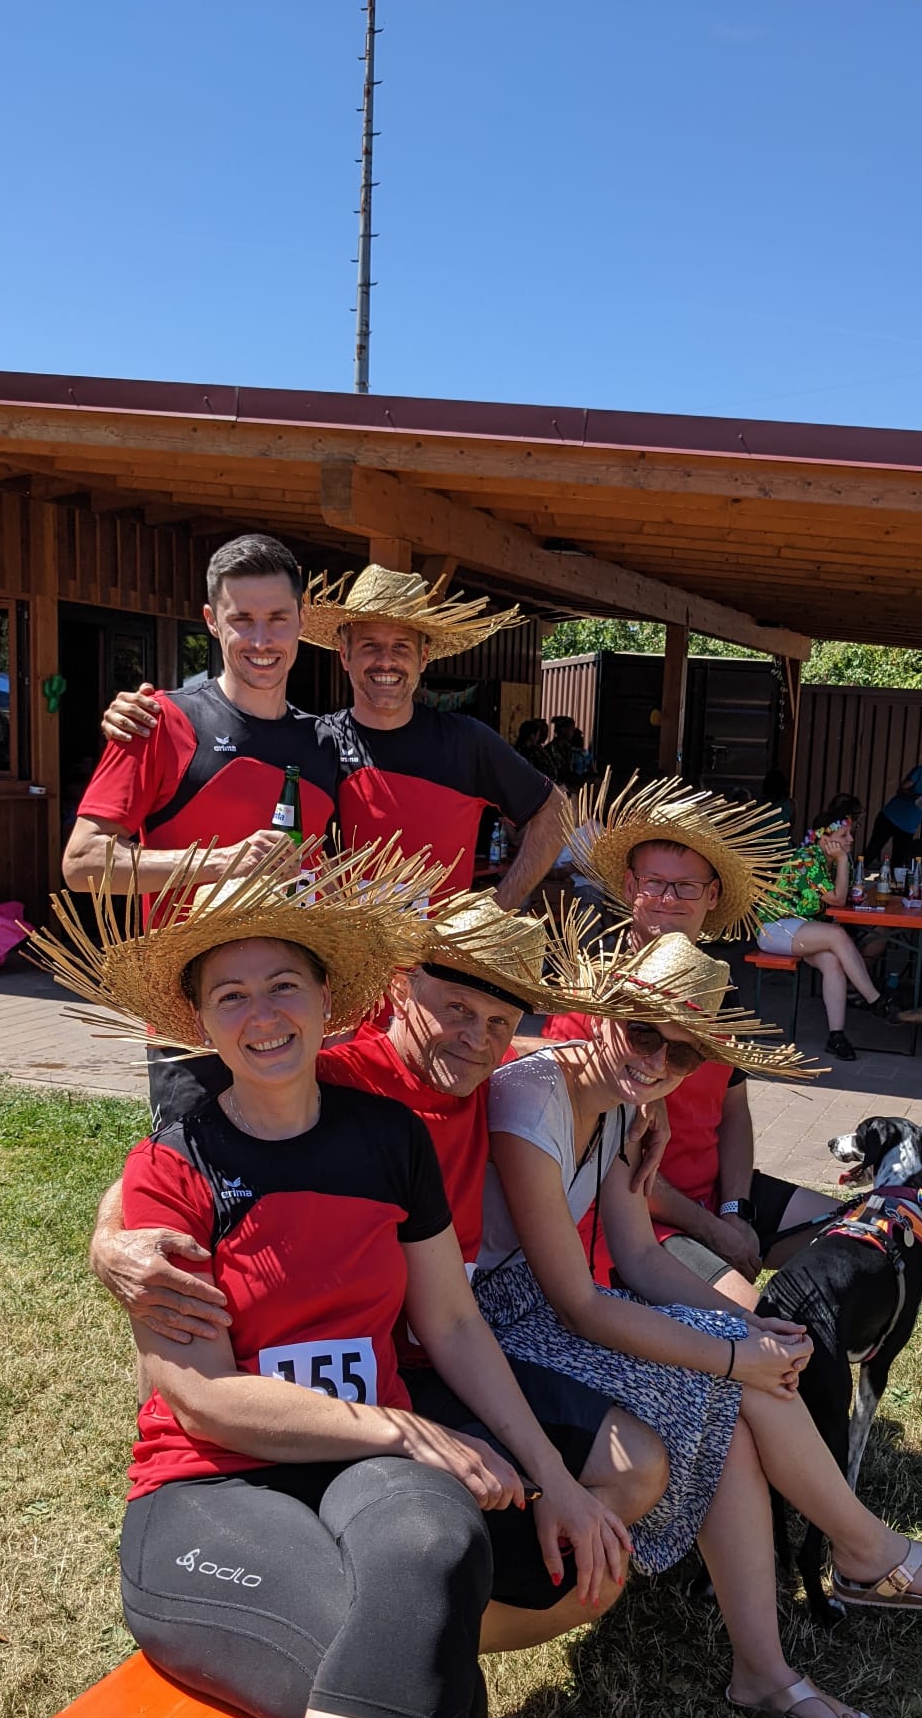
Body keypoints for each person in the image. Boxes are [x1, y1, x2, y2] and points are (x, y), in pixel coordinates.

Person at [30, 850, 628, 1718]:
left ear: (325, 999)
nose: (262, 1014)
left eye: (283, 986)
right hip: (207, 1494)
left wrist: (553, 1476)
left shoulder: (387, 1139)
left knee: (440, 1548)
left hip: (354, 1465)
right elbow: (203, 1399)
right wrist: (392, 1428)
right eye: (231, 994)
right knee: (437, 1689)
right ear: (201, 1020)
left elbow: (451, 1324)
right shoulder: (172, 1164)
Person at [89, 893, 669, 1658]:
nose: (476, 1037)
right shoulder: (323, 1074)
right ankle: (399, 1630)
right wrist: (108, 1238)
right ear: (400, 988)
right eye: (455, 1009)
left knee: (632, 1474)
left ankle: (425, 1624)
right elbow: (183, 1158)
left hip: (420, 1361)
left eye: (499, 1022)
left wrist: (646, 1104)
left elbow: (455, 1319)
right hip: (317, 1395)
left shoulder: (489, 1080)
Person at [478, 929, 922, 1718]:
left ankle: (769, 1665)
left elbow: (640, 1258)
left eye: (682, 1053)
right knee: (738, 1384)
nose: (656, 1060)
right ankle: (863, 1555)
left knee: (745, 1393)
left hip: (547, 1308)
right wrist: (732, 1353)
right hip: (495, 1325)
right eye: (641, 1031)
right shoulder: (533, 1098)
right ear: (604, 1012)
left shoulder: (621, 1103)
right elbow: (577, 1303)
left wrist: (747, 1329)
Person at [65, 534, 345, 1124]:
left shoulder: (324, 743)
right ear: (212, 622)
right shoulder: (159, 722)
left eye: (278, 618)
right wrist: (221, 862)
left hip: (292, 1024)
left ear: (302, 621)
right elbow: (84, 862)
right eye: (242, 620)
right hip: (188, 1024)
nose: (262, 640)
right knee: (194, 1178)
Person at [98, 558, 568, 909]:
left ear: (424, 658)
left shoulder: (468, 742)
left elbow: (553, 810)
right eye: (370, 646)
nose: (385, 661)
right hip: (337, 988)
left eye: (401, 647)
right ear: (344, 655)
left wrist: (497, 909)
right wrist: (139, 713)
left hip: (434, 987)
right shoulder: (316, 742)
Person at [543, 775, 842, 1297]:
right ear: (630, 888)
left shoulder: (718, 989)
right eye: (654, 883)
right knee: (756, 1322)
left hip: (715, 1201)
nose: (668, 899)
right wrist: (715, 1231)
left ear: (712, 895)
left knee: (866, 1239)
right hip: (635, 1220)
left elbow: (733, 1111)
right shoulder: (591, 993)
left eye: (686, 886)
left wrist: (735, 1209)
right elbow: (612, 1165)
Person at [755, 804, 892, 1062]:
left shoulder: (838, 861)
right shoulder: (806, 858)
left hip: (805, 930)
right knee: (836, 935)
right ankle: (874, 1000)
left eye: (850, 834)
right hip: (775, 928)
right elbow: (837, 899)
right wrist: (842, 860)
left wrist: (844, 865)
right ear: (824, 839)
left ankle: (836, 1036)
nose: (850, 840)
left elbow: (847, 896)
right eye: (843, 836)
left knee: (832, 962)